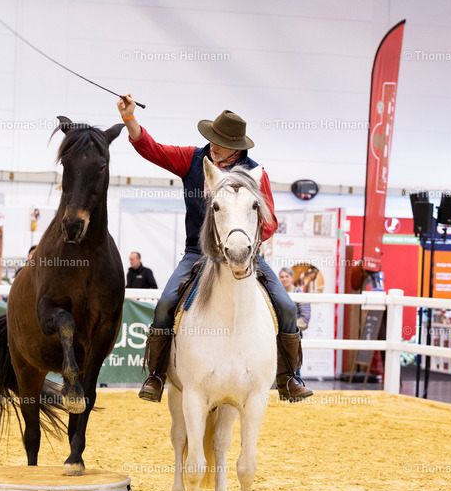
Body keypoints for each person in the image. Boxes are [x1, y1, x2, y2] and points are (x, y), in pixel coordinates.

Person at [116, 95, 313, 403]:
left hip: (245, 254)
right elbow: (152, 149)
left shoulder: (255, 173)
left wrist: (244, 242)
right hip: (198, 252)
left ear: (237, 147)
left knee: (287, 307)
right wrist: (130, 119)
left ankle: (288, 377)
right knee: (165, 303)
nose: (213, 146)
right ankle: (156, 375)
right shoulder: (192, 159)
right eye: (211, 139)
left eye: (220, 143)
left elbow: (270, 220)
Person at [279, 267, 311, 332]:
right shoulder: (277, 294)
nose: (284, 279)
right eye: (282, 277)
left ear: (292, 278)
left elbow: (305, 318)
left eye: (287, 276)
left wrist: (288, 326)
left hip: (294, 333)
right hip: (278, 333)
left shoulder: (299, 293)